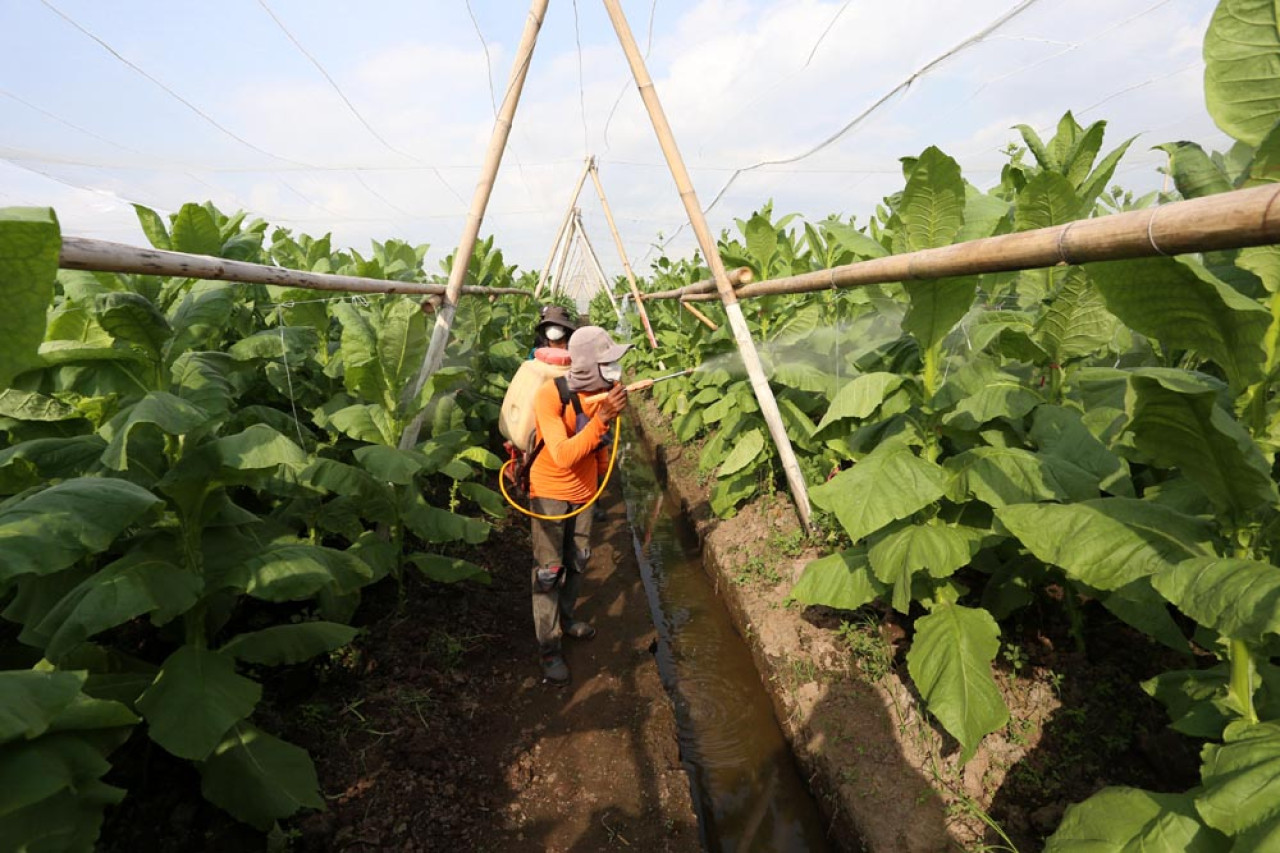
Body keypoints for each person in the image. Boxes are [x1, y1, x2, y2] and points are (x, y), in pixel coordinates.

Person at [527, 326, 630, 684]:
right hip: (549, 492)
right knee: (549, 571)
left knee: (579, 558)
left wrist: (600, 479)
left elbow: (599, 447)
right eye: (608, 363)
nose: (615, 369)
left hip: (584, 494)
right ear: (588, 365)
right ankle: (549, 647)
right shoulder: (549, 397)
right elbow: (563, 454)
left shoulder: (602, 396)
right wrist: (602, 419)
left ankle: (567, 619)